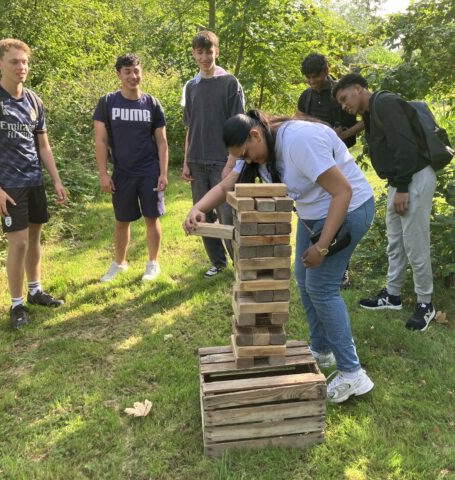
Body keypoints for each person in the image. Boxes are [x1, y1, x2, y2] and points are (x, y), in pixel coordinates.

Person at [184, 109, 376, 404]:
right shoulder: (255, 149)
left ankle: (353, 374)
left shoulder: (299, 141)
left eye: (246, 154)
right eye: (240, 158)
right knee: (303, 278)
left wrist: (323, 247)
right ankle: (320, 349)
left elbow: (343, 192)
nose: (247, 161)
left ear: (256, 134)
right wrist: (199, 208)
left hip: (348, 211)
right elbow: (226, 186)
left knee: (321, 289)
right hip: (314, 215)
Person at [0, 39, 67, 329]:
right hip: (9, 185)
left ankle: (35, 290)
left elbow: (44, 146)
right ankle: (16, 305)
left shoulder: (35, 100)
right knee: (19, 242)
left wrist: (56, 179)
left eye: (24, 62)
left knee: (35, 238)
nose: (21, 67)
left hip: (34, 179)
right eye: (14, 62)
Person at [332, 73, 437, 332]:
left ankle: (426, 303)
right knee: (395, 240)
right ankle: (392, 295)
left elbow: (406, 146)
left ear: (359, 88)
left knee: (415, 241)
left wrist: (402, 186)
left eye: (345, 98)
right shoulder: (371, 112)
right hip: (399, 181)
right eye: (341, 103)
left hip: (413, 178)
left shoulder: (385, 103)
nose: (345, 106)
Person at [94, 54, 168, 283]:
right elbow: (100, 141)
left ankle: (153, 263)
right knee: (121, 220)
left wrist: (163, 173)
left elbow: (162, 142)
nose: (133, 76)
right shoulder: (107, 102)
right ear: (118, 74)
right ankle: (119, 263)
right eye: (127, 71)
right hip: (122, 173)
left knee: (151, 217)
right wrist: (104, 174)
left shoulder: (152, 104)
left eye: (136, 71)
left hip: (149, 171)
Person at [296, 53, 364, 290]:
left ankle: (341, 269)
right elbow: (299, 118)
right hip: (314, 161)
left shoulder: (340, 92)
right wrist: (320, 127)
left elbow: (363, 119)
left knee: (338, 209)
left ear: (326, 71)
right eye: (308, 77)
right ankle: (315, 253)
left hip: (338, 159)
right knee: (320, 210)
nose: (311, 81)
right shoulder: (306, 96)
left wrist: (343, 134)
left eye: (315, 76)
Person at [181, 30, 245, 278]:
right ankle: (218, 263)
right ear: (194, 54)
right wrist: (187, 160)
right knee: (202, 214)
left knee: (228, 216)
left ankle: (239, 264)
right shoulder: (191, 86)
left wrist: (232, 162)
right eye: (200, 52)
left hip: (223, 161)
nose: (205, 57)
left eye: (209, 51)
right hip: (197, 161)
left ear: (216, 52)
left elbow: (239, 127)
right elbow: (191, 127)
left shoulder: (230, 83)